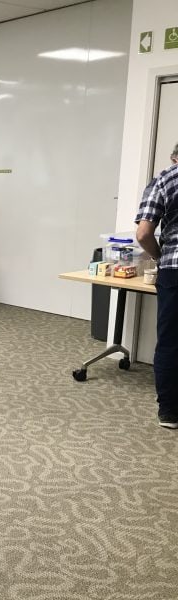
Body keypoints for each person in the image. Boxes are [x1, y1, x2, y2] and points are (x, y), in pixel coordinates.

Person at [136, 141, 178, 429]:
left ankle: (169, 412)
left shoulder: (165, 179)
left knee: (171, 341)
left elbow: (143, 233)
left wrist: (159, 256)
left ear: (175, 157)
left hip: (174, 269)